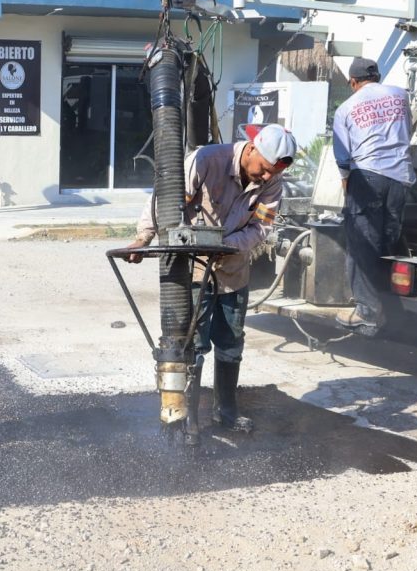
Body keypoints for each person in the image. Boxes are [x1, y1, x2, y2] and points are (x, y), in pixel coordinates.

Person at [125, 124, 297, 432]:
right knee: (195, 344)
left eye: (273, 173)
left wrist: (226, 245)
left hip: (234, 271)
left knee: (231, 343)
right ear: (251, 148)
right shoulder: (206, 160)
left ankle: (226, 412)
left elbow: (261, 228)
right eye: (264, 169)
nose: (266, 177)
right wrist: (143, 238)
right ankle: (187, 416)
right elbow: (165, 201)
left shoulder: (272, 183)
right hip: (195, 269)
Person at [332, 56, 416, 334]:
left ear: (353, 82)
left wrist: (346, 181)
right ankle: (389, 308)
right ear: (377, 77)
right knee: (388, 243)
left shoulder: (346, 108)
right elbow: (409, 129)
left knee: (362, 245)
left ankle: (367, 312)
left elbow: (342, 154)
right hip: (401, 178)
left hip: (367, 177)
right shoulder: (400, 95)